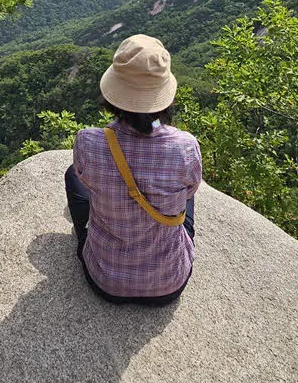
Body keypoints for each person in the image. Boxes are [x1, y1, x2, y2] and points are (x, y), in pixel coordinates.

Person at [64, 34, 202, 305]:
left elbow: (84, 179)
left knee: (72, 175)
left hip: (105, 280)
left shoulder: (88, 141)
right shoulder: (185, 147)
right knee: (187, 193)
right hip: (169, 283)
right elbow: (190, 190)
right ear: (165, 97)